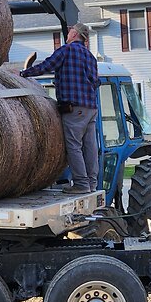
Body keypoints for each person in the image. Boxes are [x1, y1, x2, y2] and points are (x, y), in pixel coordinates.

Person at [20, 22, 99, 194]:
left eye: (70, 31)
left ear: (75, 34)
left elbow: (46, 66)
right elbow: (95, 82)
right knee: (90, 146)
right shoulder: (90, 56)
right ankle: (92, 183)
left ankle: (81, 184)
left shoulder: (66, 50)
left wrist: (24, 74)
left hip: (74, 108)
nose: (68, 33)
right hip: (91, 108)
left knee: (73, 146)